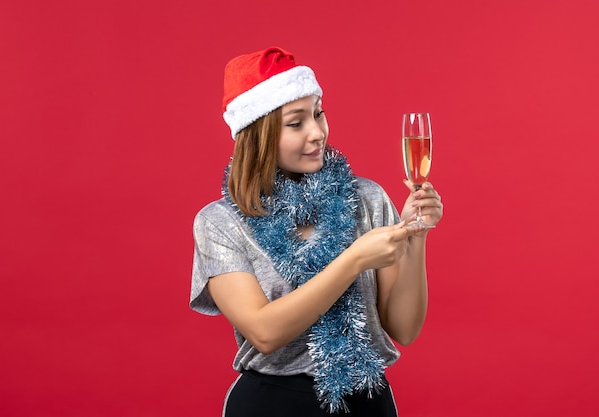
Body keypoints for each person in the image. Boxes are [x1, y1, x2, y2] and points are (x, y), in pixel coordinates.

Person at [190, 47, 443, 417]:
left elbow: (403, 329)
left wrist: (416, 235)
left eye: (319, 113)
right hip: (272, 403)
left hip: (367, 401)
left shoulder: (368, 199)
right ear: (258, 135)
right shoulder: (219, 223)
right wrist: (353, 260)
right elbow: (265, 332)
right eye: (296, 123)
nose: (317, 133)